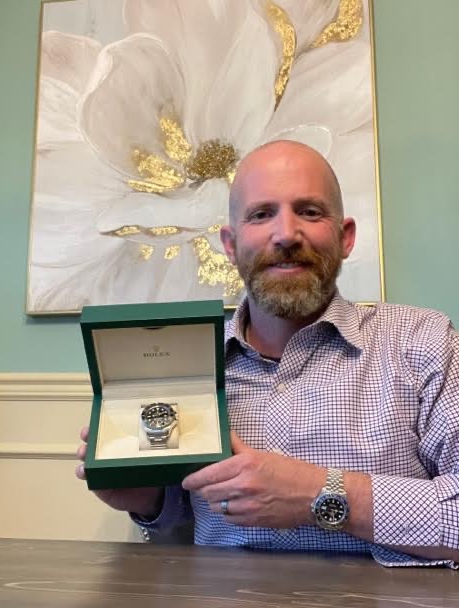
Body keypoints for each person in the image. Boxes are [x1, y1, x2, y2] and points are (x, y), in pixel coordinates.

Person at [76, 140, 459, 567]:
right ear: (230, 244)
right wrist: (151, 504)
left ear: (345, 237)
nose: (286, 234)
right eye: (261, 214)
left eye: (309, 211)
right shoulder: (190, 365)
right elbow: (186, 540)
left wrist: (319, 494)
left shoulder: (423, 342)